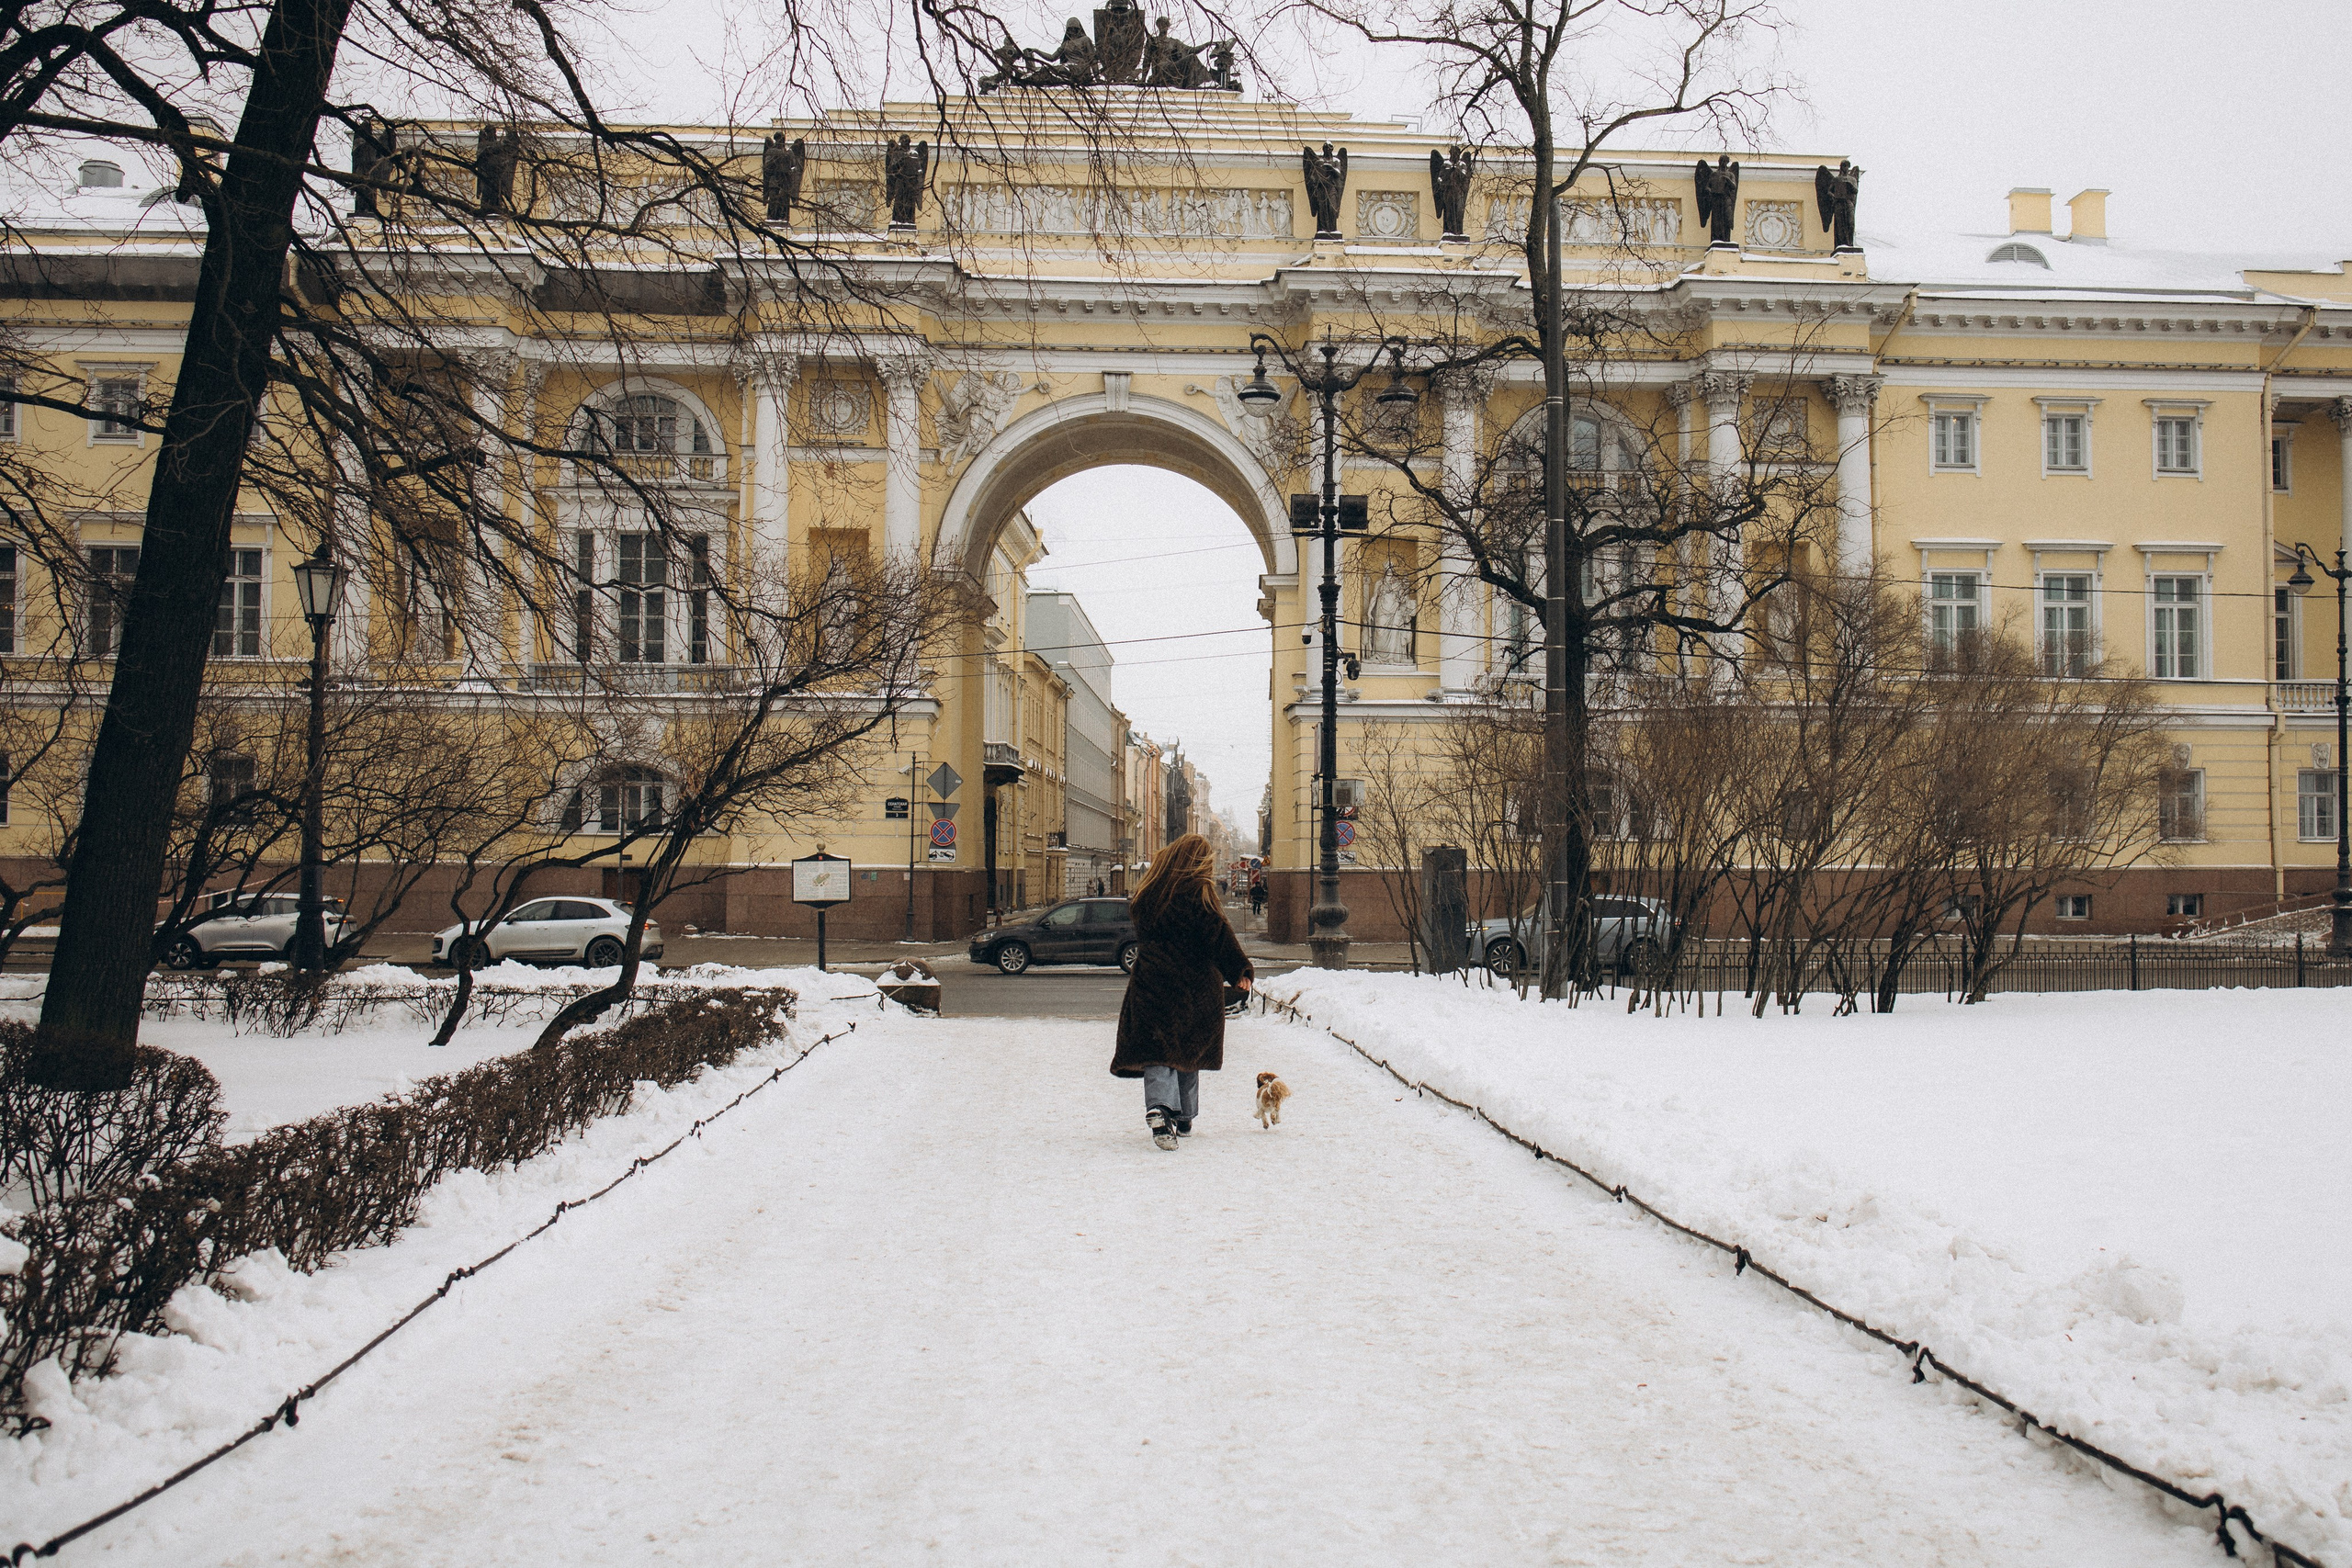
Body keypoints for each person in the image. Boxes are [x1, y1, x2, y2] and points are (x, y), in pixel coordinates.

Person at [1111, 832, 1252, 1151]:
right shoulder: (1199, 896)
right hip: (1194, 986)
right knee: (1189, 1050)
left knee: (1158, 1048)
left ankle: (1160, 1107)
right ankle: (1184, 1116)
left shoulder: (1148, 894)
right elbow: (1219, 937)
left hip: (1152, 981)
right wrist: (1239, 970)